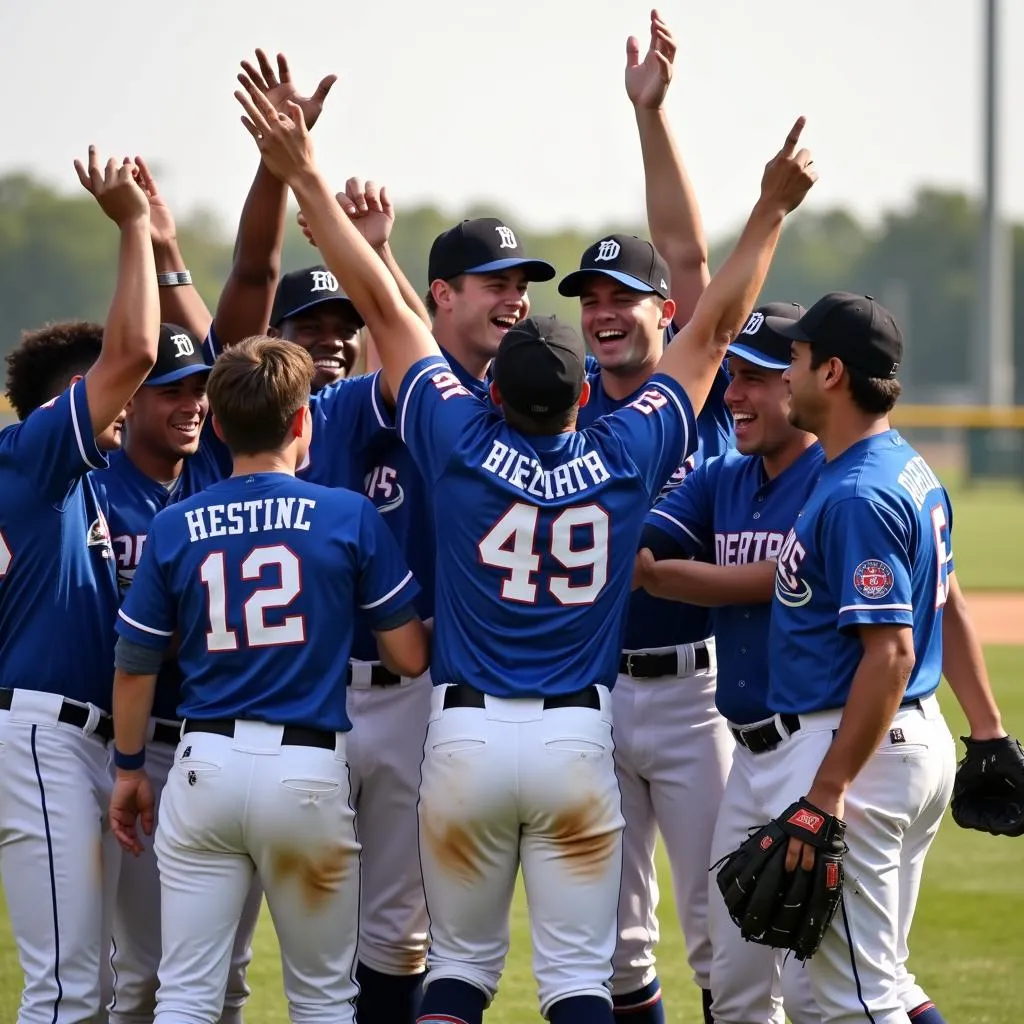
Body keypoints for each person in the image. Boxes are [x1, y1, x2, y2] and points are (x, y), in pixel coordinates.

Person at [234, 71, 816, 1024]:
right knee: (582, 978)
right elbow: (710, 327)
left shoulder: (457, 442)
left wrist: (305, 174)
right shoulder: (627, 449)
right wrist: (772, 209)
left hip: (460, 733)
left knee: (457, 968)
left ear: (494, 391)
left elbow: (386, 311)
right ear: (581, 391)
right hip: (576, 736)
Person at [108, 337, 430, 1024]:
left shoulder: (175, 524)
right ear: (303, 422)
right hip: (306, 768)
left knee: (188, 993)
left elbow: (134, 664)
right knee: (321, 998)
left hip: (204, 765)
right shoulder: (348, 515)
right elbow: (406, 657)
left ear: (218, 427)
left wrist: (131, 768)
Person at [557, 14, 733, 1021]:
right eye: (589, 296)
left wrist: (648, 113)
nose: (604, 308)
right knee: (613, 946)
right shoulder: (556, 401)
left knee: (721, 931)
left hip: (694, 693)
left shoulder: (693, 392)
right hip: (588, 692)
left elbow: (686, 247)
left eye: (624, 293)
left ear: (667, 311)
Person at [750, 292, 958, 1023]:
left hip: (863, 750)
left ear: (832, 373)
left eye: (797, 359)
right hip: (902, 740)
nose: (785, 374)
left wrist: (827, 790)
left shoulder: (858, 494)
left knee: (851, 1002)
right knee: (874, 981)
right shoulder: (904, 467)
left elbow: (891, 652)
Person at [0, 147, 159, 1023]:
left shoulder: (75, 482)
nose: (123, 401)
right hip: (37, 733)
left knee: (103, 985)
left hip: (76, 742)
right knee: (67, 992)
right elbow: (134, 350)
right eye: (100, 394)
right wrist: (135, 225)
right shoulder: (34, 460)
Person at [632, 303, 825, 1024]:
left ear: (802, 383)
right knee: (739, 982)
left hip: (820, 744)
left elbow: (786, 578)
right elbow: (641, 552)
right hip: (748, 748)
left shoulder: (835, 478)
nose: (735, 393)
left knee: (830, 986)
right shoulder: (725, 476)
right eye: (733, 376)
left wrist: (667, 579)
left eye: (757, 379)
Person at [91, 323, 261, 1024]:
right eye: (172, 391)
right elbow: (102, 635)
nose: (191, 405)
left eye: (200, 390)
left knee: (228, 974)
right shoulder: (94, 489)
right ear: (127, 401)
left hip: (220, 747)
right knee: (140, 975)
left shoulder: (218, 475)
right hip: (138, 748)